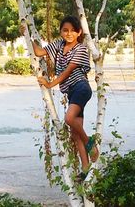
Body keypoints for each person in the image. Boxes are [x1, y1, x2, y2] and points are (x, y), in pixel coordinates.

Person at [20, 15, 99, 180]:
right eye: (65, 30)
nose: (68, 34)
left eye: (73, 31)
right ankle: (84, 169)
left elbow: (67, 71)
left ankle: (90, 143)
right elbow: (40, 52)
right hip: (71, 93)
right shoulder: (58, 44)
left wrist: (50, 84)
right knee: (74, 133)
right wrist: (26, 34)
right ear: (61, 32)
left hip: (81, 88)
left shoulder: (81, 49)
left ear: (78, 33)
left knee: (69, 118)